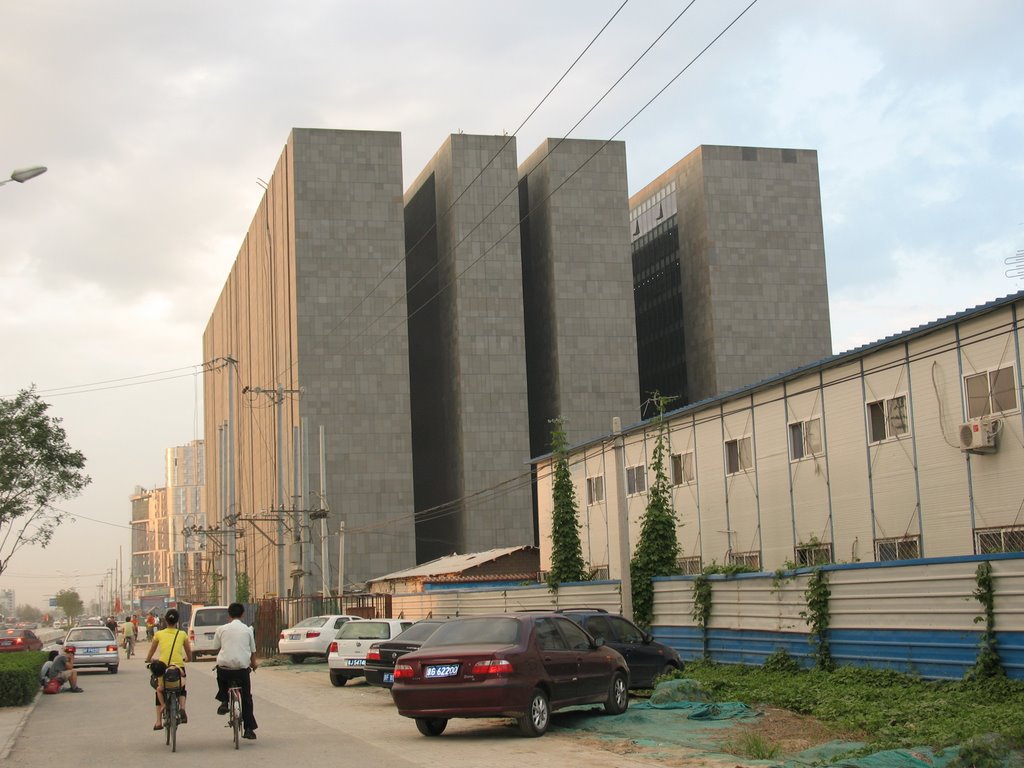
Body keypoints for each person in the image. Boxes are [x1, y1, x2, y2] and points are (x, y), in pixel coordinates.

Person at [213, 602, 258, 741]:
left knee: (220, 677)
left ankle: (224, 701)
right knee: (246, 697)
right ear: (242, 614)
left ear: (229, 615)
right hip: (242, 671)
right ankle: (249, 729)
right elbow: (253, 651)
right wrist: (254, 664)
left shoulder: (221, 629)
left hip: (225, 670)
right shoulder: (248, 630)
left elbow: (216, 647)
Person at [144, 608, 191, 731]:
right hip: (178, 668)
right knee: (181, 688)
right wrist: (188, 659)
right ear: (177, 621)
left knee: (160, 689)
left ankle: (158, 721)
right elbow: (188, 652)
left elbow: (152, 650)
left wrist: (148, 659)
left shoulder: (159, 634)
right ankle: (182, 708)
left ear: (165, 620)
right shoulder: (182, 634)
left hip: (163, 668)